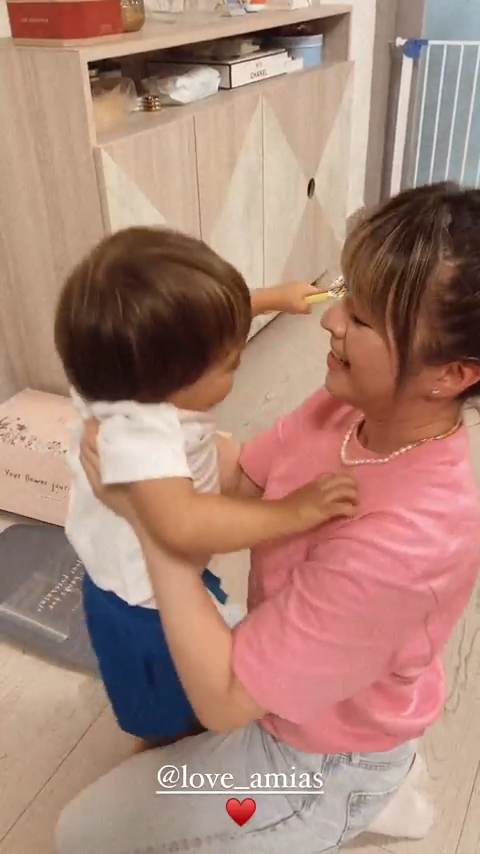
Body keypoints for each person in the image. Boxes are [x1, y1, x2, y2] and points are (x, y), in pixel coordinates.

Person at [55, 182, 480, 854]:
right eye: (345, 295)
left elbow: (225, 698)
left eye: (362, 319)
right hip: (300, 679)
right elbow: (244, 479)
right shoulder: (351, 405)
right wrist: (167, 461)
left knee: (80, 836)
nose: (331, 320)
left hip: (314, 756)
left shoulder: (411, 541)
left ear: (450, 374)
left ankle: (359, 795)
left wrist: (144, 513)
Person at [54, 227, 358, 747]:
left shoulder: (111, 363)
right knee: (174, 711)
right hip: (145, 605)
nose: (234, 364)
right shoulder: (142, 433)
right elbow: (186, 524)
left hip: (151, 577)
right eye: (229, 365)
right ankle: (167, 751)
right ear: (167, 378)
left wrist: (273, 299)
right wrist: (293, 512)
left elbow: (193, 326)